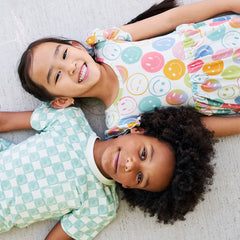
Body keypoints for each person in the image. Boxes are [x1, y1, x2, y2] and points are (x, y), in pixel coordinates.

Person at [17, 0, 240, 139]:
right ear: (61, 100)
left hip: (221, 37)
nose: (70, 67)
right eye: (57, 76)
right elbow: (194, 125)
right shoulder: (121, 122)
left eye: (64, 54)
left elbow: (170, 19)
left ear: (76, 46)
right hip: (224, 89)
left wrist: (228, 3)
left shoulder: (109, 42)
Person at [0, 103, 214, 239]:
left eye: (140, 177)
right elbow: (7, 120)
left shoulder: (101, 207)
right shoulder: (69, 120)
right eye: (142, 154)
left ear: (129, 186)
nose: (131, 165)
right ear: (138, 131)